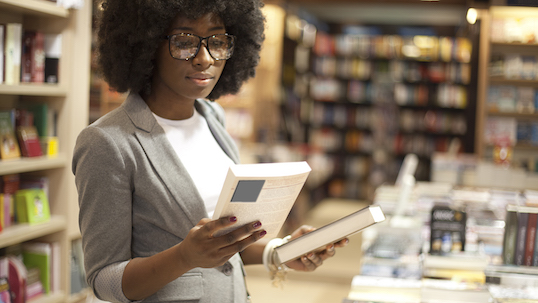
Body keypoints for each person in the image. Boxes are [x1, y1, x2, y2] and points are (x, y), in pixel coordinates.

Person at [72, 1, 348, 302]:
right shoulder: (107, 142)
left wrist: (278, 252)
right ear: (146, 44)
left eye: (216, 42)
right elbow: (104, 280)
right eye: (184, 41)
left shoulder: (212, 119)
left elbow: (221, 244)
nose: (204, 59)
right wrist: (183, 257)